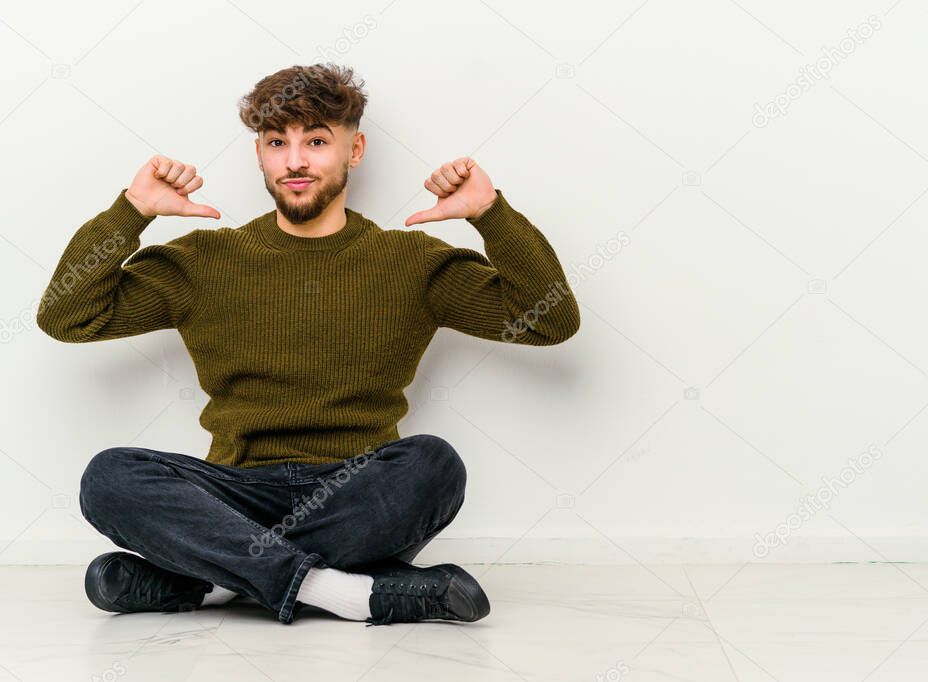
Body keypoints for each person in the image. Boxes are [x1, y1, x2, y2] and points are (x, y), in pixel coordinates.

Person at [35, 63, 580, 626]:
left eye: (317, 140)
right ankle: (344, 592)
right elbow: (67, 317)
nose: (295, 160)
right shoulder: (203, 261)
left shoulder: (410, 262)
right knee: (110, 476)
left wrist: (493, 216)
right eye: (278, 143)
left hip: (356, 491)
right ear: (261, 156)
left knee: (434, 464)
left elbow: (549, 321)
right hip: (234, 492)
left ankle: (212, 580)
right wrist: (132, 211)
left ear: (355, 148)